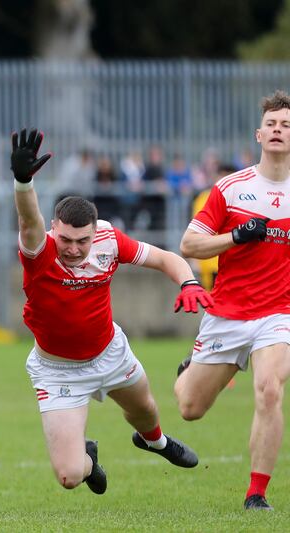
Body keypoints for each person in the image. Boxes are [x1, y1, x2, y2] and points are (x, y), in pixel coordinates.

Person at [11, 128, 208, 495]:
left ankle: (156, 442)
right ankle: (89, 457)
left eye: (81, 240)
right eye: (66, 239)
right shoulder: (41, 251)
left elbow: (166, 258)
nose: (73, 248)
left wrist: (189, 283)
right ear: (54, 229)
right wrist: (24, 182)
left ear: (94, 232)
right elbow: (28, 221)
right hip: (58, 371)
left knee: (146, 411)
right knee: (70, 476)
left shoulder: (108, 240)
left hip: (109, 353)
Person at [175, 90, 290, 511]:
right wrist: (237, 236)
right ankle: (187, 370)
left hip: (280, 313)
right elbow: (189, 244)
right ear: (259, 135)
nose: (279, 130)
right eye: (273, 125)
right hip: (228, 313)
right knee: (189, 408)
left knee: (269, 389)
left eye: (287, 125)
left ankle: (256, 494)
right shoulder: (230, 188)